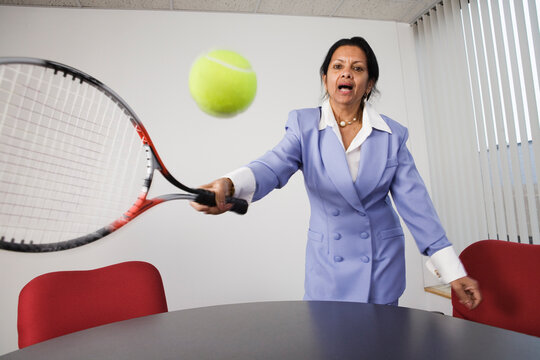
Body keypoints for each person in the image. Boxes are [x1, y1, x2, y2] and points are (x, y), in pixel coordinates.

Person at [191, 36, 482, 309]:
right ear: (326, 79)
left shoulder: (393, 135)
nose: (346, 74)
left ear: (368, 84)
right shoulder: (304, 125)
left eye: (357, 68)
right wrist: (229, 184)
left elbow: (417, 206)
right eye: (338, 67)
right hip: (328, 267)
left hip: (380, 264)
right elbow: (272, 165)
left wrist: (453, 271)